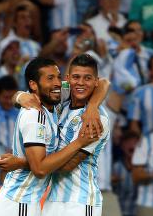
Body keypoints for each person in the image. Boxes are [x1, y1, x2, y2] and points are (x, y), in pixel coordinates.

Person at [0, 57, 103, 216]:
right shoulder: (35, 115)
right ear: (33, 85)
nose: (57, 83)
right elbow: (40, 168)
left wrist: (92, 106)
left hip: (31, 202)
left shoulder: (53, 106)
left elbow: (103, 83)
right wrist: (79, 142)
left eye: (58, 77)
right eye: (50, 78)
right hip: (19, 202)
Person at [41, 54, 110, 216]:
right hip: (52, 199)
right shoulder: (61, 107)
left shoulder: (97, 118)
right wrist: (21, 97)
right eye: (76, 77)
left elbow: (68, 166)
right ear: (67, 79)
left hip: (81, 201)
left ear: (95, 82)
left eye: (87, 78)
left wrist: (33, 164)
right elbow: (25, 95)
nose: (80, 83)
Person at [112, 130, 140, 216]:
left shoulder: (144, 170)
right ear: (122, 146)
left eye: (135, 143)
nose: (132, 145)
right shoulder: (115, 167)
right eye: (128, 142)